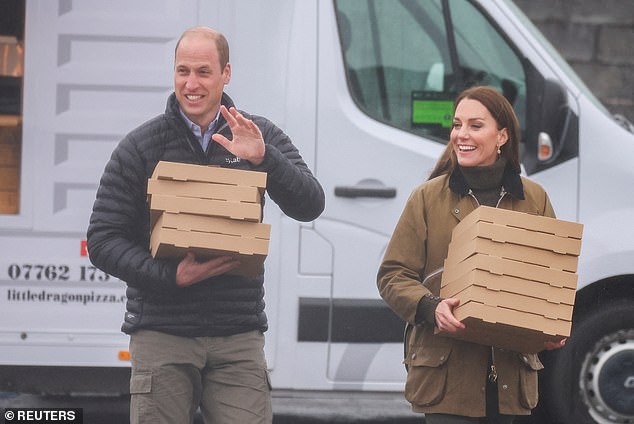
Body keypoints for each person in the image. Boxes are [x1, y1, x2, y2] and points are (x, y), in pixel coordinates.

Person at [87, 26, 325, 424]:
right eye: (182, 71)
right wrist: (170, 276)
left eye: (203, 71)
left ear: (226, 74)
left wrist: (265, 158)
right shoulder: (141, 146)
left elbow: (310, 205)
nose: (191, 84)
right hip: (162, 333)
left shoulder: (257, 134)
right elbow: (102, 239)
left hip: (238, 336)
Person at [376, 86, 566, 424]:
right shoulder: (427, 198)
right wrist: (429, 307)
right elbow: (393, 275)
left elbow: (548, 279)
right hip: (447, 378)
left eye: (475, 126)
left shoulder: (535, 200)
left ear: (502, 136)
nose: (461, 134)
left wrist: (551, 324)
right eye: (457, 124)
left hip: (510, 381)